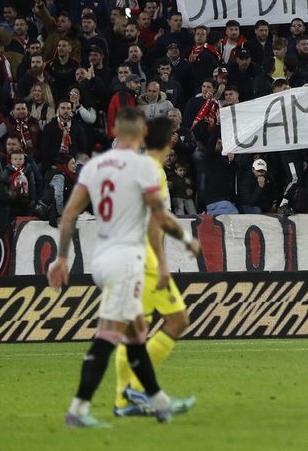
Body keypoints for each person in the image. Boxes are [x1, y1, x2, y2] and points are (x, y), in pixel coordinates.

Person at [48, 107, 200, 428]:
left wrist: (61, 257)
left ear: (115, 130)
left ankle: (157, 402)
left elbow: (69, 214)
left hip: (100, 258)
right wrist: (185, 239)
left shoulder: (94, 166)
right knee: (108, 337)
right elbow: (158, 216)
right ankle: (78, 410)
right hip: (127, 260)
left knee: (136, 335)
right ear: (142, 133)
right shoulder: (143, 166)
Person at [112, 117, 197, 418]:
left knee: (137, 330)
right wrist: (162, 264)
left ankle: (124, 402)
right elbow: (153, 220)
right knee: (175, 321)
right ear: (171, 142)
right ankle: (134, 390)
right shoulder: (155, 172)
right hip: (143, 260)